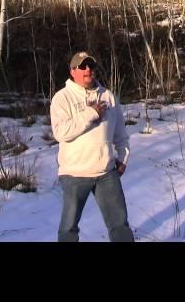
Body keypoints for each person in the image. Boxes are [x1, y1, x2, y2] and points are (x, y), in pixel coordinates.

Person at [50, 51, 134, 242]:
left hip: (106, 172)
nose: (88, 69)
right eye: (82, 66)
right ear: (73, 71)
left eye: (91, 65)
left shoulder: (108, 96)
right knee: (68, 229)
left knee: (120, 225)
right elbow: (61, 132)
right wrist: (91, 113)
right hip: (74, 174)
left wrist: (123, 157)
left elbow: (120, 133)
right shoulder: (62, 98)